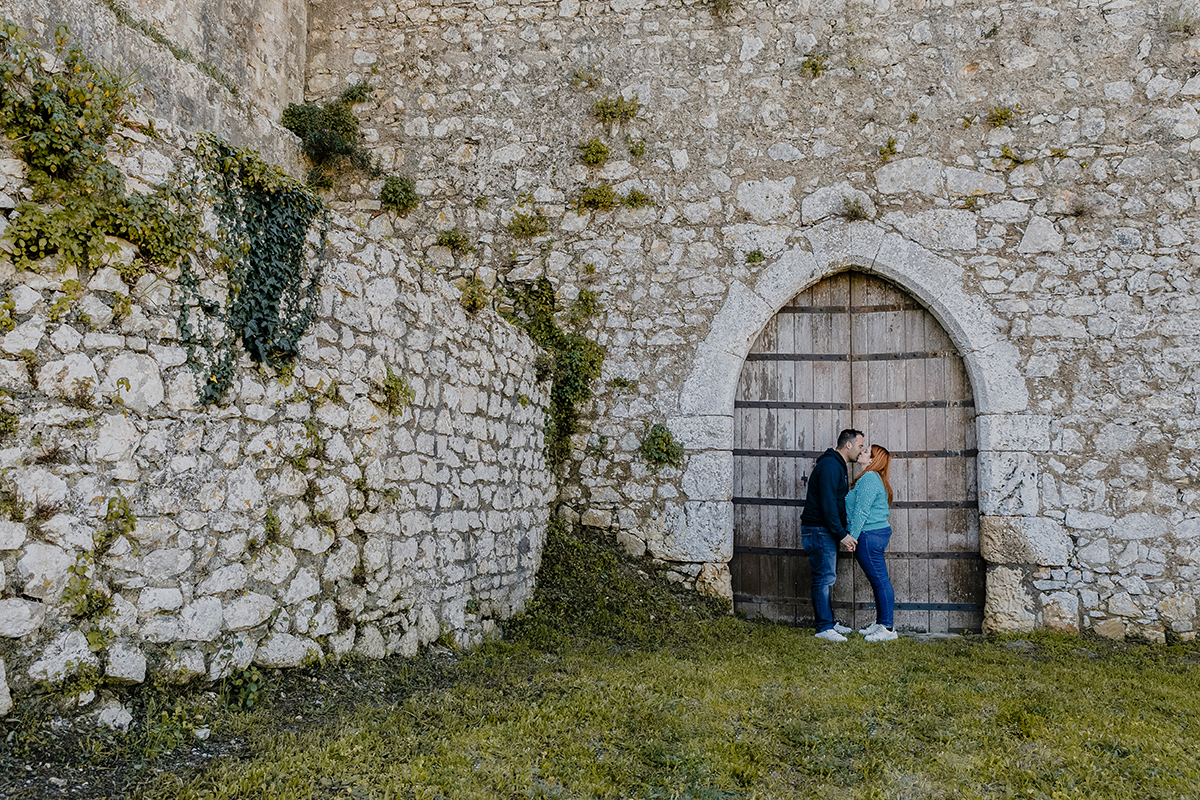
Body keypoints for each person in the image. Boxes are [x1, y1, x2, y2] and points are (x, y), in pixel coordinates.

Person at [799, 428, 864, 642]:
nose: (861, 450)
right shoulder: (829, 465)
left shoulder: (836, 465)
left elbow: (835, 502)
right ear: (848, 445)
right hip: (819, 530)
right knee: (823, 578)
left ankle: (828, 622)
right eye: (860, 446)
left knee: (826, 576)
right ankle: (824, 628)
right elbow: (828, 505)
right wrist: (841, 534)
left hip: (824, 530)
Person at [846, 444, 898, 642]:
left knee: (880, 581)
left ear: (872, 460)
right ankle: (881, 623)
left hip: (869, 534)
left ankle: (887, 628)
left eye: (866, 451)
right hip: (874, 533)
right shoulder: (873, 478)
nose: (861, 452)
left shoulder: (869, 478)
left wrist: (852, 537)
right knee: (878, 581)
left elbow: (861, 511)